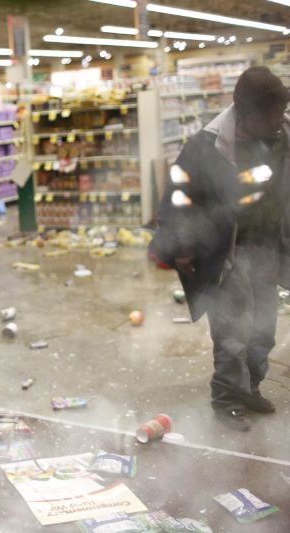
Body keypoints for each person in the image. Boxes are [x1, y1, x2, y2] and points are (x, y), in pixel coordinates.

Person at [150, 66, 290, 431]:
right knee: (232, 335)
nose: (280, 117)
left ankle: (250, 389)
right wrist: (180, 248)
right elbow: (176, 199)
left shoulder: (283, 135)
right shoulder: (205, 147)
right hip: (226, 253)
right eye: (272, 112)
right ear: (247, 114)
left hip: (268, 248)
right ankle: (227, 398)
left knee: (264, 331)